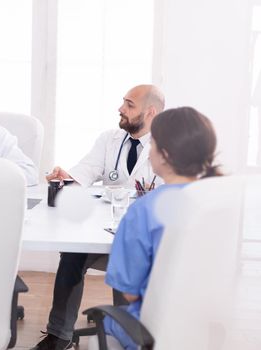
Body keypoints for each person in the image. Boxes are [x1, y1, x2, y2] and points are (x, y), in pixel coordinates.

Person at [32, 84, 165, 350]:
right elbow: (87, 170)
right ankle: (59, 335)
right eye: (123, 103)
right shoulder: (109, 139)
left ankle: (127, 335)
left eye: (129, 105)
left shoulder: (166, 148)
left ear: (150, 112)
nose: (121, 109)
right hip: (105, 235)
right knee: (72, 254)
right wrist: (67, 177)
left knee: (131, 259)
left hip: (140, 243)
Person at [103, 106, 222, 349]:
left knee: (106, 320)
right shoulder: (218, 206)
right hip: (204, 330)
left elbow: (130, 293)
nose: (148, 153)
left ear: (165, 154)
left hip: (153, 331)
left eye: (153, 145)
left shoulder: (143, 211)